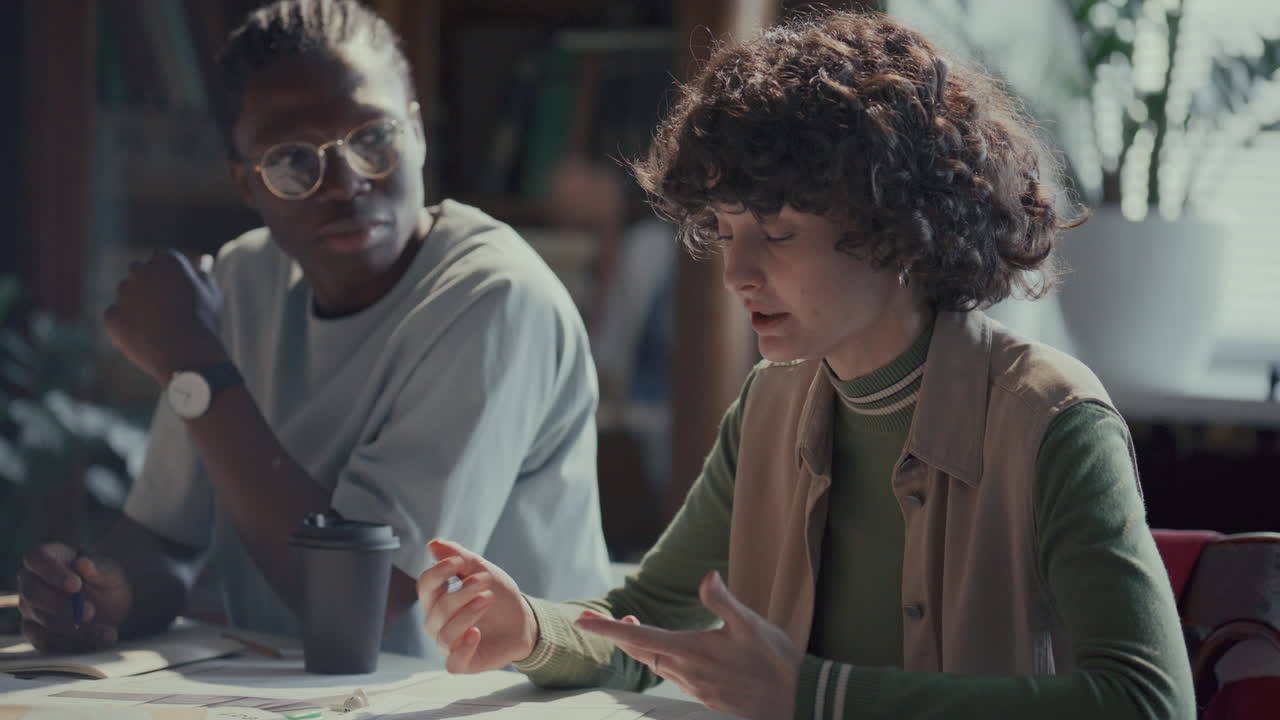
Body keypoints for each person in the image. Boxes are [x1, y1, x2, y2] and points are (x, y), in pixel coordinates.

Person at [415, 9, 1195, 720]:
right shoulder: (772, 401)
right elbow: (649, 616)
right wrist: (531, 629)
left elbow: (1150, 702)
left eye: (778, 234)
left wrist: (815, 695)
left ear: (896, 227)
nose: (737, 273)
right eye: (725, 231)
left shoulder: (1051, 418)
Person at [15, 0, 610, 661]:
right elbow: (163, 542)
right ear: (246, 183)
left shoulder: (494, 300)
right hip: (294, 691)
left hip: (486, 698)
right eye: (293, 159)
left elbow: (361, 601)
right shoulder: (241, 280)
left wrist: (194, 365)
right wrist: (102, 594)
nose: (345, 183)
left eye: (374, 138)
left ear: (417, 132)